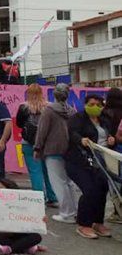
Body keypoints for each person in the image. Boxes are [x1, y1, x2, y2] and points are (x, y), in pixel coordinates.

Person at [65, 95, 114, 239]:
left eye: (98, 105)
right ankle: (83, 224)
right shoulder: (78, 118)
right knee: (89, 189)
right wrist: (81, 140)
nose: (95, 107)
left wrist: (111, 139)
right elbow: (71, 133)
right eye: (92, 104)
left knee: (102, 188)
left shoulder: (105, 120)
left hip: (101, 162)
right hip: (79, 161)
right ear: (85, 104)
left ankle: (97, 222)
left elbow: (109, 135)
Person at [34, 83, 78, 224]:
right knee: (69, 183)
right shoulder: (72, 111)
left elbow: (42, 131)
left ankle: (66, 213)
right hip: (69, 150)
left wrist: (37, 148)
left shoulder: (49, 110)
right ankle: (75, 211)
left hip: (52, 150)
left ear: (54, 94)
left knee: (58, 183)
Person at [16, 84, 58, 208]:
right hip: (47, 143)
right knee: (48, 171)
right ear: (41, 92)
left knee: (35, 172)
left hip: (29, 143)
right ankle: (53, 197)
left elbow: (19, 124)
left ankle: (39, 199)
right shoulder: (50, 107)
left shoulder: (23, 107)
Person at [0, 178, 46, 255]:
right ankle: (25, 247)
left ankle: (10, 249)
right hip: (1, 235)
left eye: (1, 188)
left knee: (36, 237)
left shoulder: (22, 205)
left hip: (17, 234)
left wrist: (41, 219)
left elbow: (31, 223)